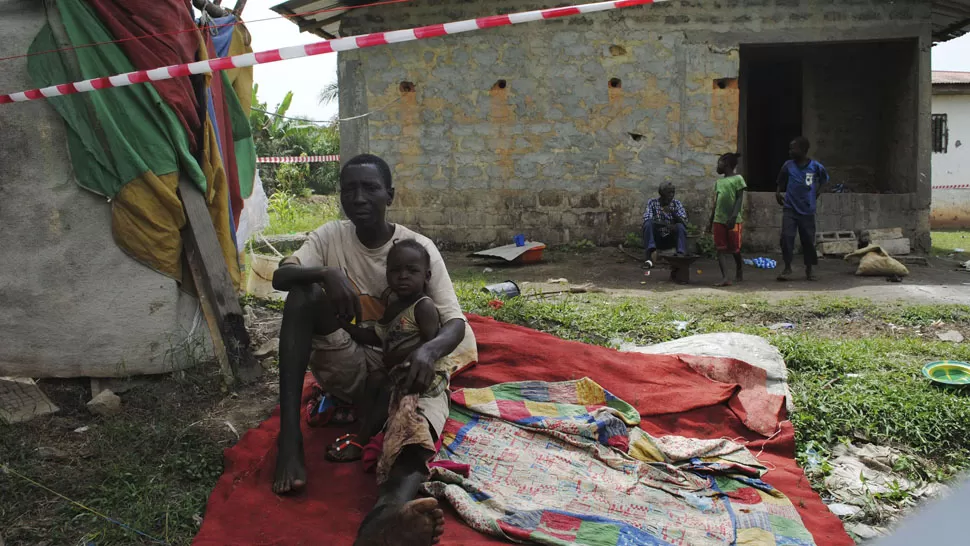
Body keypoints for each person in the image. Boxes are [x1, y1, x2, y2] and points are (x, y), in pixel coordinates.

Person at [270, 154, 477, 546]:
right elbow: (281, 275)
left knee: (410, 435)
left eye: (370, 188)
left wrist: (427, 353)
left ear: (390, 195)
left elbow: (455, 324)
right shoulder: (330, 237)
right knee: (301, 295)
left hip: (408, 373)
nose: (359, 197)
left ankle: (385, 520)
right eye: (349, 189)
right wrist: (325, 273)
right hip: (352, 362)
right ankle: (290, 439)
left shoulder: (418, 249)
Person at [326, 239, 445, 481]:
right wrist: (346, 328)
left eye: (412, 271)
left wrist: (405, 359)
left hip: (420, 377)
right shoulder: (392, 307)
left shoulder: (423, 307)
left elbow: (430, 346)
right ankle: (366, 428)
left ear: (427, 276)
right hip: (394, 372)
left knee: (385, 387)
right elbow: (378, 335)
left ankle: (361, 440)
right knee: (374, 379)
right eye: (395, 270)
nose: (403, 276)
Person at [775, 137, 829, 281]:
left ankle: (809, 269)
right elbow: (781, 180)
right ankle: (787, 268)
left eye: (793, 148)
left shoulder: (815, 166)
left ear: (803, 150)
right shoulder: (788, 165)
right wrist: (778, 192)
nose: (790, 151)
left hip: (807, 210)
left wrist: (818, 192)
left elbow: (824, 179)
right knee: (787, 238)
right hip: (790, 208)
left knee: (808, 241)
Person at [708, 152, 746, 286]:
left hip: (734, 221)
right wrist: (710, 220)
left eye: (719, 163)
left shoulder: (738, 179)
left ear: (727, 164)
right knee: (720, 249)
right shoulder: (719, 182)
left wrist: (734, 216)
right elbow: (716, 202)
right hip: (719, 219)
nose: (717, 166)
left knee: (735, 249)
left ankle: (739, 269)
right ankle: (725, 277)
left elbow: (739, 198)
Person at [642, 182, 688, 267]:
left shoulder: (676, 204)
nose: (671, 195)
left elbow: (684, 223)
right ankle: (649, 256)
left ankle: (680, 255)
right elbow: (647, 219)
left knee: (680, 227)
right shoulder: (652, 203)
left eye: (673, 192)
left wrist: (672, 212)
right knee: (648, 224)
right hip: (657, 237)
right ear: (661, 193)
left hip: (670, 237)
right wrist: (666, 225)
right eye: (668, 192)